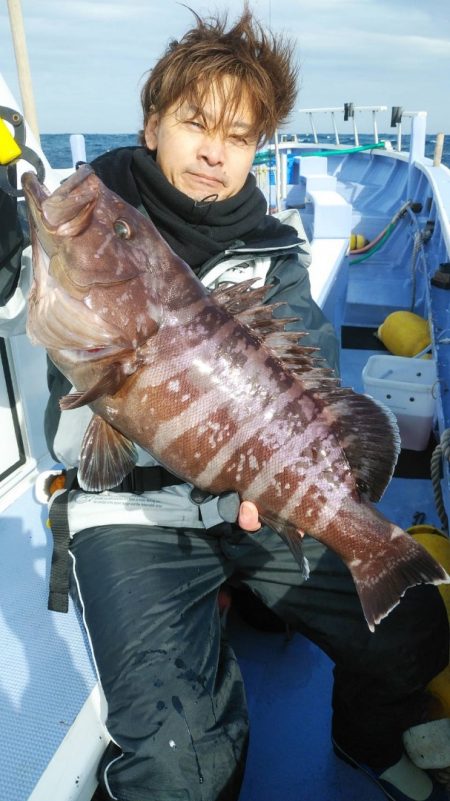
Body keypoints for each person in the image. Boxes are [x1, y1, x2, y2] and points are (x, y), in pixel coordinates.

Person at [1, 7, 449, 801]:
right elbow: (32, 318)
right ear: (151, 124)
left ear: (257, 148)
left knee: (414, 632)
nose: (214, 149)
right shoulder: (85, 219)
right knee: (182, 762)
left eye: (239, 135)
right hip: (130, 516)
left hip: (257, 501)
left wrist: (290, 487)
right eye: (194, 122)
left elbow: (314, 387)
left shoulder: (276, 254)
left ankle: (361, 732)